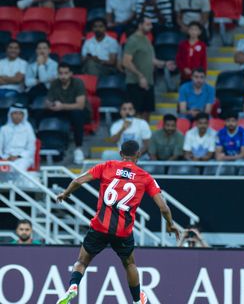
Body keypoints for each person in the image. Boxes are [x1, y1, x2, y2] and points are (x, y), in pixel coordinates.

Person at [56, 140, 180, 304]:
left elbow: (78, 180)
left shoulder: (107, 166)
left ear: (121, 154)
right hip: (123, 232)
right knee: (129, 264)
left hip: (99, 227)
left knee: (82, 261)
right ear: (138, 155)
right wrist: (170, 223)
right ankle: (137, 300)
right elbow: (163, 207)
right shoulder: (145, 177)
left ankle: (73, 287)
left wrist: (66, 194)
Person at [123, 16, 167, 122]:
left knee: (147, 112)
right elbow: (126, 62)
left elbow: (151, 59)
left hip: (148, 81)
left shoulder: (146, 40)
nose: (151, 27)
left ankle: (145, 137)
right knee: (136, 113)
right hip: (135, 82)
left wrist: (164, 63)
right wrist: (140, 76)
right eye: (148, 24)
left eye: (151, 24)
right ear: (140, 25)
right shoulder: (133, 40)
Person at [46, 63, 90, 164]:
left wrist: (62, 106)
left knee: (77, 114)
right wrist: (51, 105)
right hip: (62, 111)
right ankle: (51, 145)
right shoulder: (55, 83)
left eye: (66, 73)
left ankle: (78, 148)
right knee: (43, 113)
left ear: (71, 73)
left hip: (80, 112)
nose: (63, 76)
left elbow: (80, 105)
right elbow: (48, 101)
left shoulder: (78, 83)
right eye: (61, 73)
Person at [0, 104, 36, 171]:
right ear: (10, 114)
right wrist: (4, 157)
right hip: (6, 157)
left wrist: (18, 156)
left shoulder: (28, 128)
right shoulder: (4, 129)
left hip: (23, 158)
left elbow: (31, 148)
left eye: (20, 114)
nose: (17, 116)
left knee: (19, 167)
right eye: (15, 113)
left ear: (24, 115)